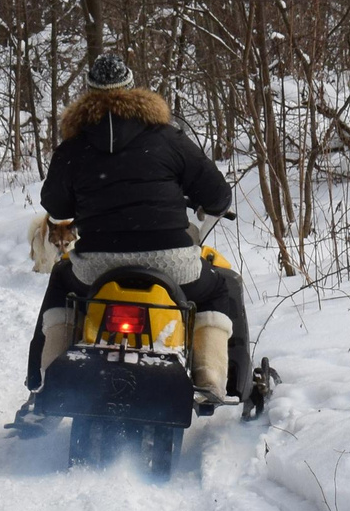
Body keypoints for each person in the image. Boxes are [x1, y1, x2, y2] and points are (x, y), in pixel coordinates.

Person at [24, 53, 239, 408]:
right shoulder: (168, 138)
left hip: (97, 267)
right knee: (218, 288)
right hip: (172, 263)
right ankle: (210, 379)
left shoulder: (73, 148)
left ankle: (47, 379)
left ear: (88, 95)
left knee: (62, 281)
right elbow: (217, 194)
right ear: (133, 90)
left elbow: (57, 208)